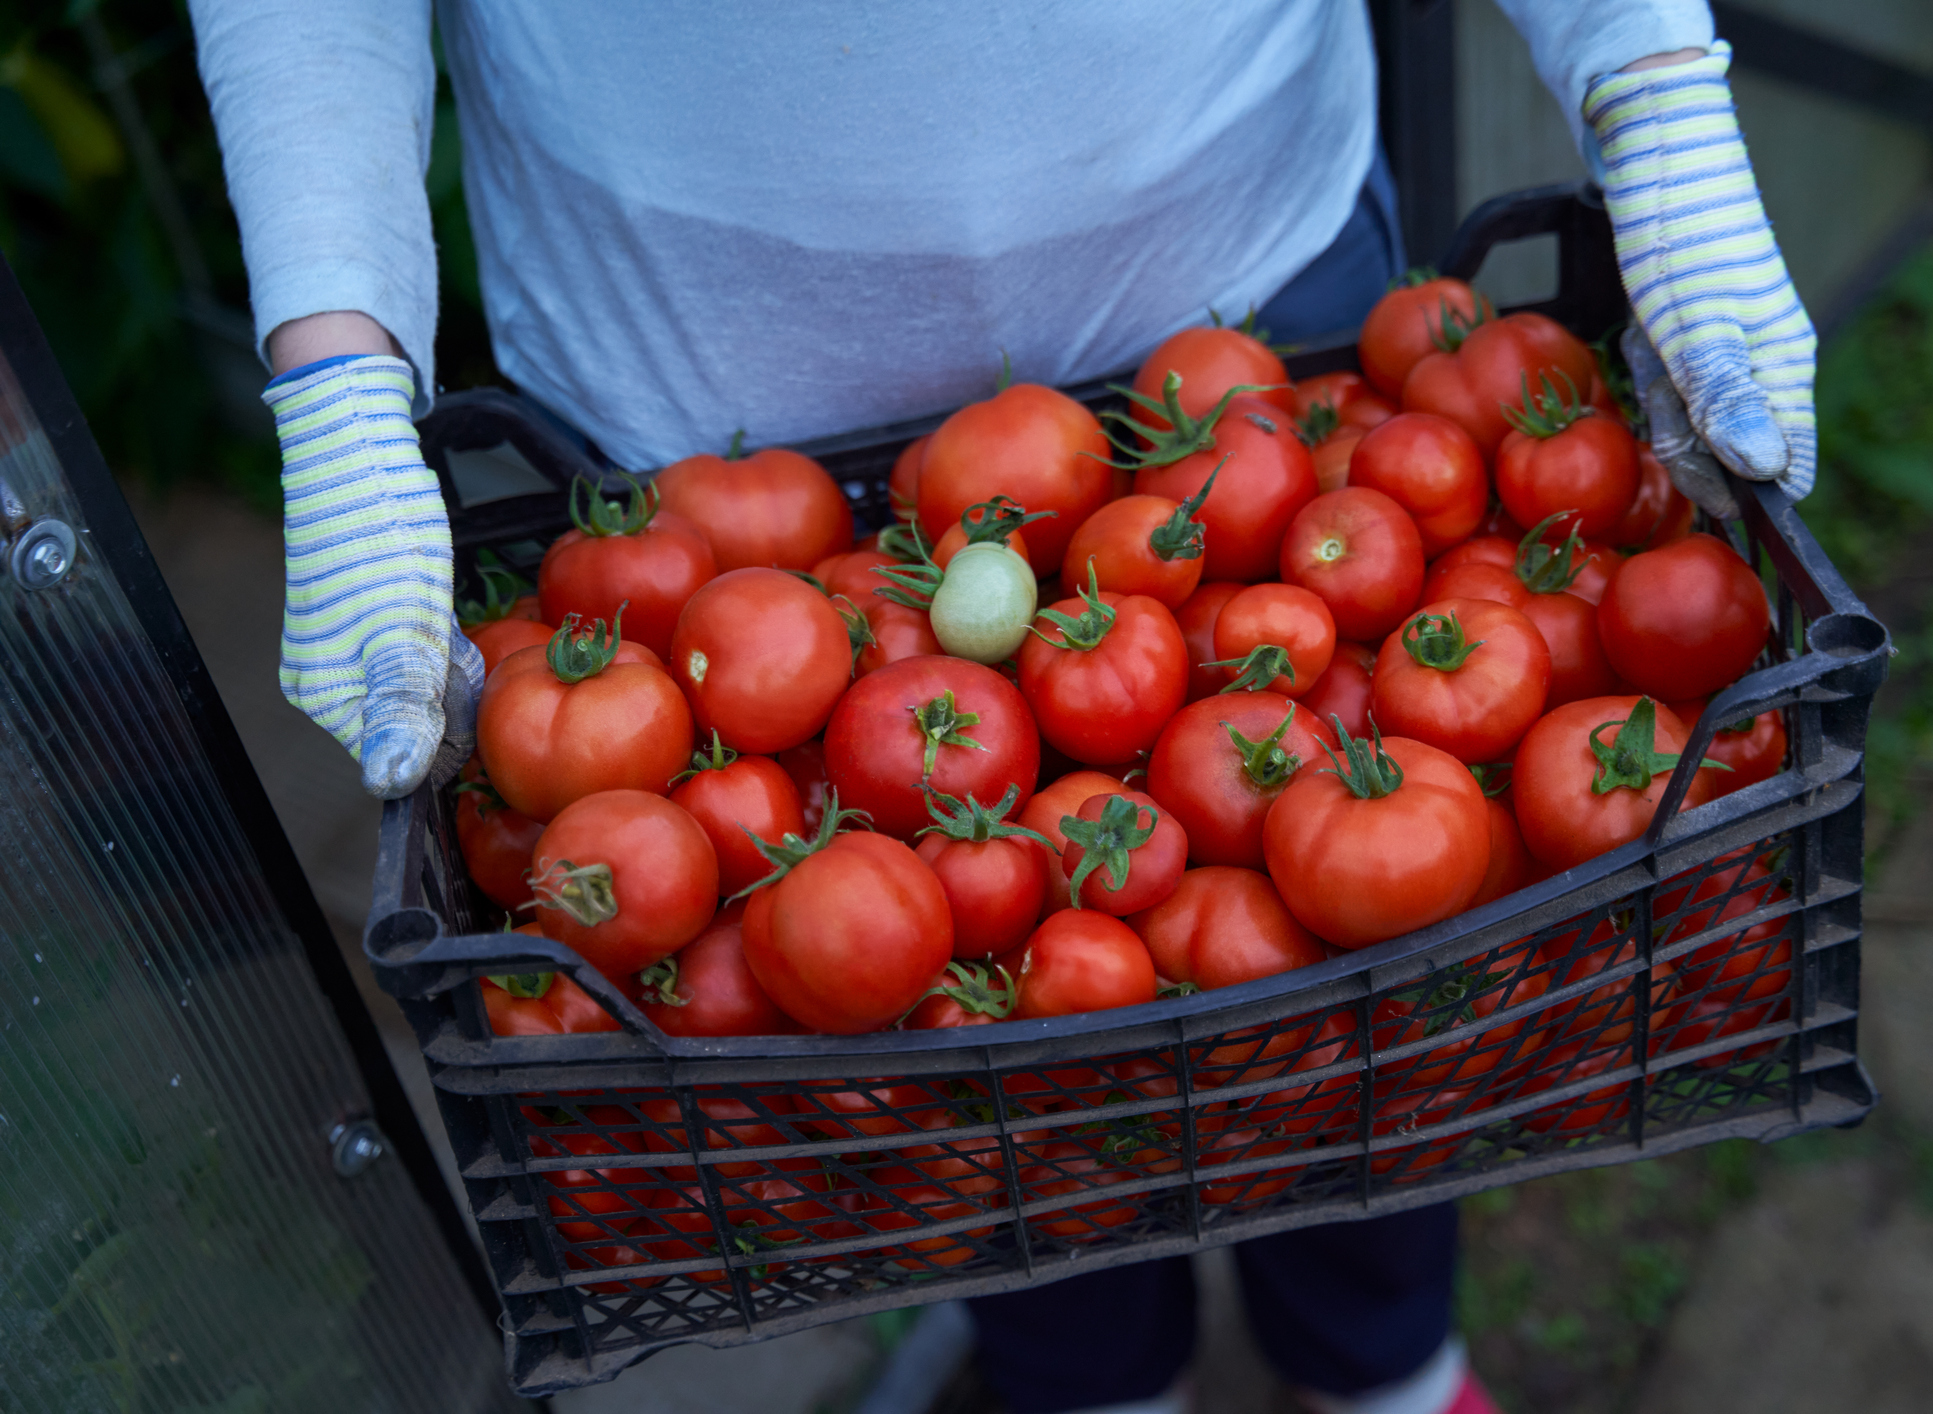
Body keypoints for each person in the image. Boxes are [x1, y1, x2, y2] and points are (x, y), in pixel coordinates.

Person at [191, 5, 1815, 1411]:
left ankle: (1377, 1359)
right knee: (974, 1077)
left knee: (1381, 999)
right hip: (712, 415)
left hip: (1245, 290)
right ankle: (1096, 1384)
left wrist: (1648, 71)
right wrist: (337, 360)